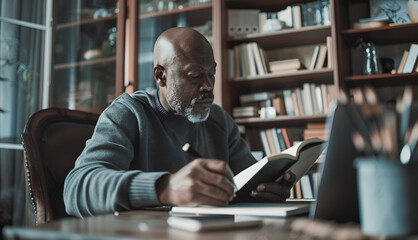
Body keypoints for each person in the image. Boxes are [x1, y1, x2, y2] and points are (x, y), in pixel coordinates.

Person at [63, 27, 296, 217]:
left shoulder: (218, 120)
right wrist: (165, 187)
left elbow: (246, 182)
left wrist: (265, 190)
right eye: (195, 75)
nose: (207, 85)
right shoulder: (127, 114)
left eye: (211, 74)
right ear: (161, 76)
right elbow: (76, 189)